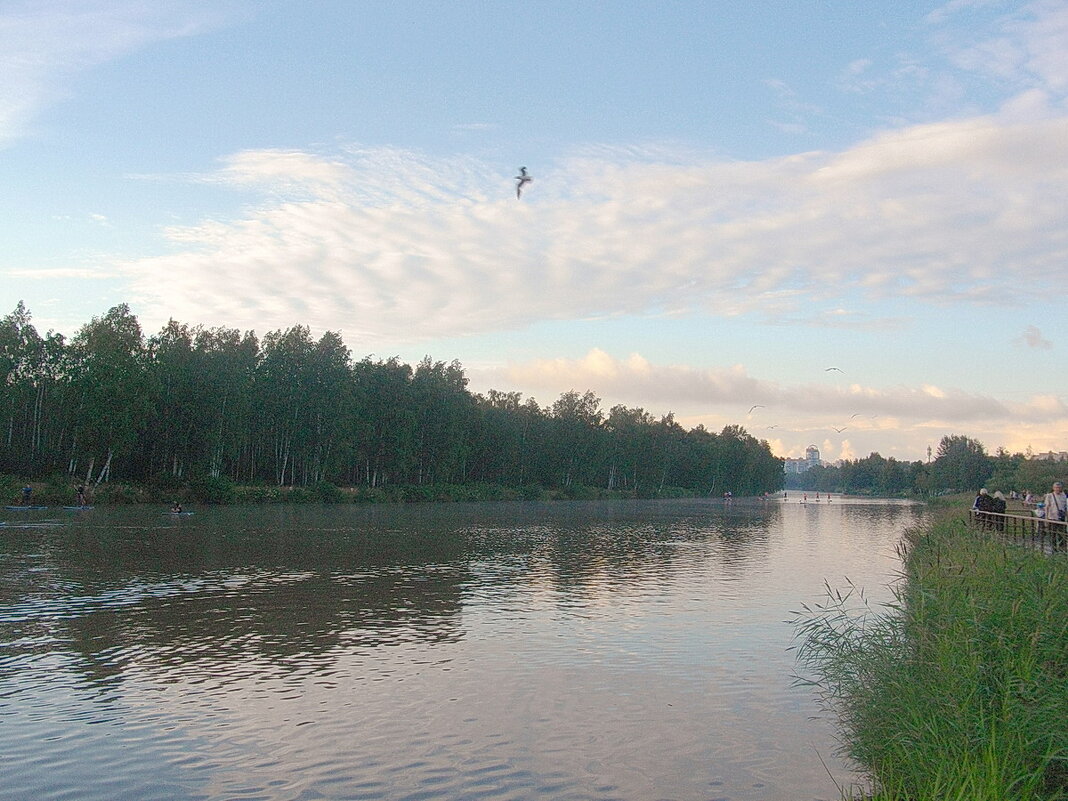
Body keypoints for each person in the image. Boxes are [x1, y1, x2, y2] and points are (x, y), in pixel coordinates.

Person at [1043, 481, 1067, 546]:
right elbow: (1046, 507)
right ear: (1053, 488)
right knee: (1052, 534)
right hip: (1052, 518)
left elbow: (1065, 507)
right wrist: (1046, 519)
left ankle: (1062, 548)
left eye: (1059, 488)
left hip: (1061, 518)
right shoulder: (1050, 496)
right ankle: (1053, 549)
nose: (1058, 489)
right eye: (1056, 487)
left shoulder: (1063, 496)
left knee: (1062, 534)